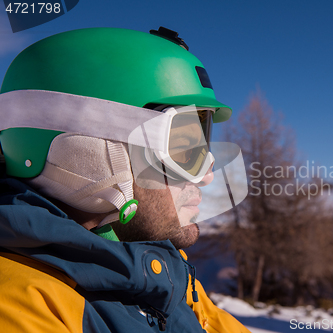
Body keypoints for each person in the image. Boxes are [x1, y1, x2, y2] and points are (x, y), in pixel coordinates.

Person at [0, 27, 250, 332]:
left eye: (202, 143)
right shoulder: (20, 304)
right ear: (91, 153)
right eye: (182, 147)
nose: (207, 177)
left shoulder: (163, 271)